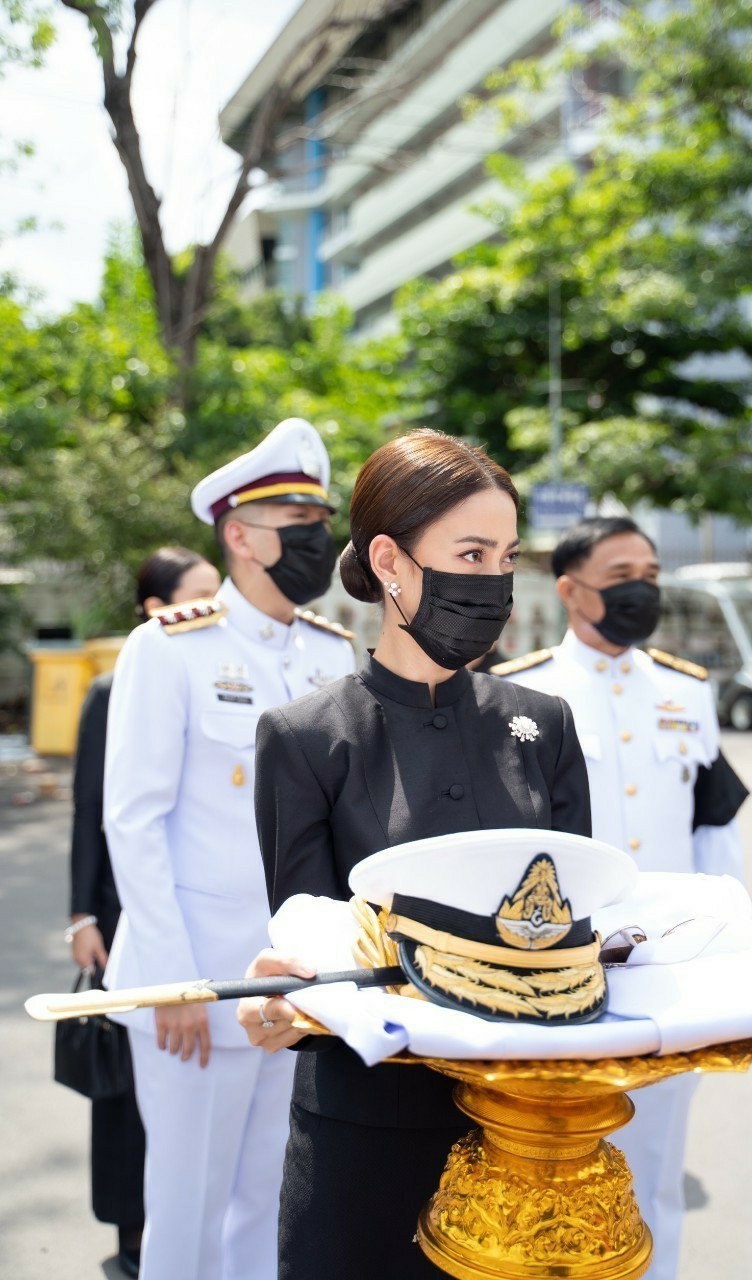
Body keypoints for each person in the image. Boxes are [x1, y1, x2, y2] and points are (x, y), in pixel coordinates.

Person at [235, 428, 592, 1280]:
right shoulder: (306, 737)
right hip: (366, 1135)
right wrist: (287, 1005)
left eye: (505, 555)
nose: (493, 581)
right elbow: (311, 940)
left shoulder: (543, 723)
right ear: (389, 560)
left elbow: (586, 920)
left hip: (527, 1127)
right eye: (469, 551)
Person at [103, 419, 356, 1280]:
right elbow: (133, 822)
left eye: (321, 518)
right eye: (295, 518)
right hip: (197, 985)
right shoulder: (170, 647)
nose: (317, 536)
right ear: (240, 535)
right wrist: (172, 983)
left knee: (270, 1202)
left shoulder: (330, 655)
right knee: (188, 1205)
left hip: (293, 983)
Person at [492, 515, 749, 1280]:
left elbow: (714, 826)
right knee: (549, 1172)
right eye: (619, 576)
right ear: (569, 590)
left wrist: (731, 932)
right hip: (562, 973)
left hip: (671, 970)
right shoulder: (519, 690)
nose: (641, 589)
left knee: (656, 1172)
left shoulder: (683, 689)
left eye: (650, 574)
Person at [67, 546, 220, 1279]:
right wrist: (81, 917)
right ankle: (131, 1237)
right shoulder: (113, 687)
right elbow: (96, 813)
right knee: (127, 1101)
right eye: (195, 595)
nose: (211, 606)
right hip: (123, 914)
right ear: (154, 608)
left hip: (182, 915)